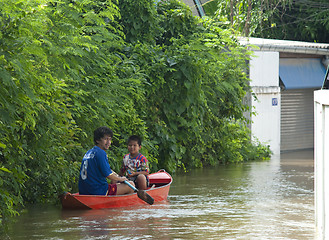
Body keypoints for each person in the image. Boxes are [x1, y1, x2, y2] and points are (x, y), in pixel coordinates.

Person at [78, 126, 135, 196]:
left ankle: (113, 199)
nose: (109, 142)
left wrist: (117, 177)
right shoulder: (101, 153)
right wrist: (121, 179)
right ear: (97, 140)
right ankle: (120, 204)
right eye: (105, 139)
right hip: (98, 190)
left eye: (110, 139)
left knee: (114, 180)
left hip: (83, 191)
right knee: (131, 185)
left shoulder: (89, 152)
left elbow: (104, 170)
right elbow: (108, 175)